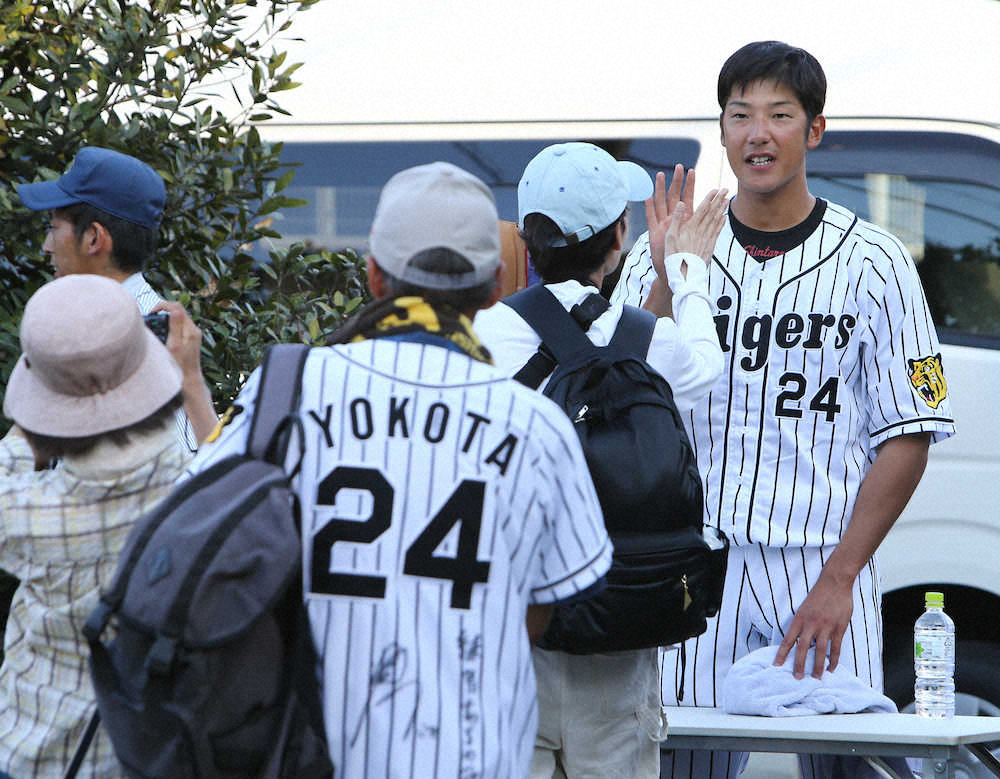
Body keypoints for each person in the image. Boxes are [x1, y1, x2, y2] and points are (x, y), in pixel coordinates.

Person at [181, 161, 613, 779]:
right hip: (471, 754)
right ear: (494, 286)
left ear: (374, 273)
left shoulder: (290, 384)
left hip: (302, 750)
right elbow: (545, 605)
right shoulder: (536, 425)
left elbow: (202, 527)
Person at [611, 41, 956, 779]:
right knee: (677, 766)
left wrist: (841, 577)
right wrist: (672, 274)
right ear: (723, 128)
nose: (757, 133)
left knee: (851, 768)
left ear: (815, 130)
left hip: (822, 561)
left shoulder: (876, 260)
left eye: (779, 114)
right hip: (695, 563)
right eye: (740, 115)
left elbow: (911, 433)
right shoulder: (660, 249)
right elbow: (619, 395)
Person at [472, 141, 727, 779]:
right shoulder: (649, 340)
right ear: (618, 238)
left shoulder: (484, 336)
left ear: (527, 241)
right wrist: (687, 269)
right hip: (619, 622)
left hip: (515, 629)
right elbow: (707, 367)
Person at [0, 274, 206, 778]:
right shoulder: (190, 488)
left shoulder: (30, 514)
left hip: (36, 753)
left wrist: (51, 393)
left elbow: (12, 456)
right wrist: (192, 380)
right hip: (142, 757)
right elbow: (226, 461)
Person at [16, 146, 217, 451]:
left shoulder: (143, 338)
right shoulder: (91, 323)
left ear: (94, 238)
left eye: (54, 228)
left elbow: (174, 476)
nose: (47, 246)